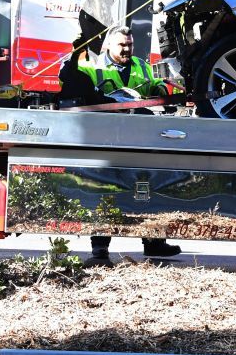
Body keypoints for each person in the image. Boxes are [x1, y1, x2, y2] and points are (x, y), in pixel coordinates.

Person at [59, 25, 181, 262]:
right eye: (122, 45)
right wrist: (76, 51)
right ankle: (100, 249)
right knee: (105, 191)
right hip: (108, 139)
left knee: (148, 189)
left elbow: (156, 88)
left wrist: (158, 91)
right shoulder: (92, 66)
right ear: (107, 46)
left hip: (140, 139)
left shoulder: (142, 66)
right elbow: (68, 77)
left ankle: (154, 243)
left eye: (130, 45)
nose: (127, 49)